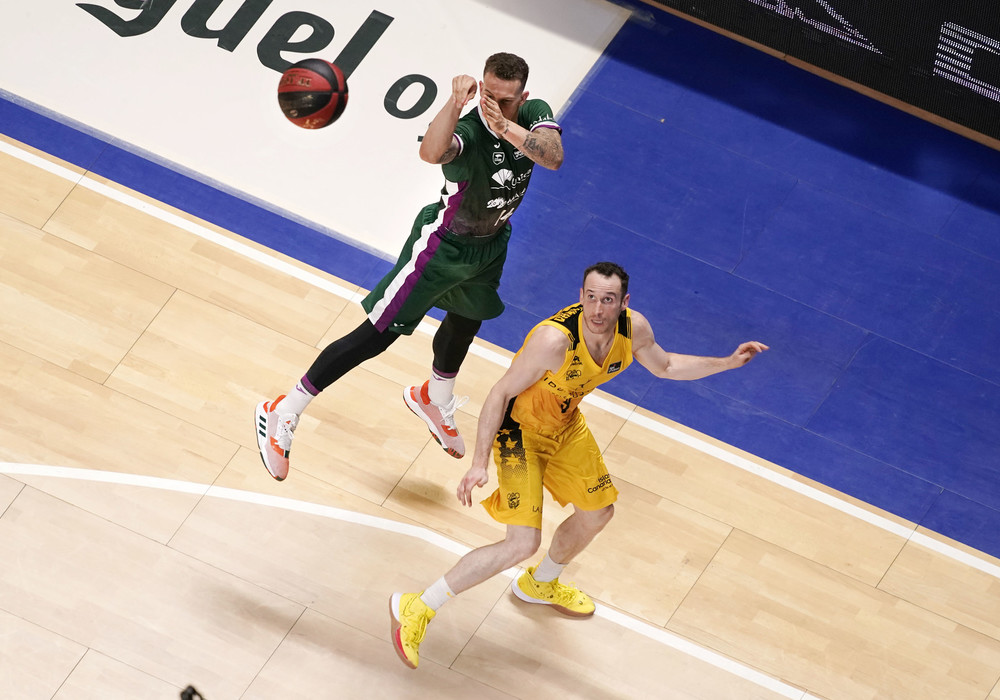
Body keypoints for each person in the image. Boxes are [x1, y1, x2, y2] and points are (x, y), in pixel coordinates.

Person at [388, 262, 768, 669]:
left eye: (608, 300)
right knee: (522, 543)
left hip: (566, 427)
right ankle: (418, 606)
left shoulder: (633, 329)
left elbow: (667, 366)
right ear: (581, 295)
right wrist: (479, 463)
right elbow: (499, 394)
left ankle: (540, 583)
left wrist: (727, 363)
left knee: (598, 512)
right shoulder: (553, 341)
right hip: (519, 434)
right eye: (591, 297)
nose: (598, 309)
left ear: (624, 302)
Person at [255, 52, 564, 480]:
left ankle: (434, 398)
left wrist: (506, 125)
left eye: (506, 100)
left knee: (467, 319)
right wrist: (455, 104)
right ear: (480, 88)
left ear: (523, 98)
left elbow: (553, 157)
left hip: (491, 245)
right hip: (443, 246)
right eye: (489, 96)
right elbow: (430, 152)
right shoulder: (469, 131)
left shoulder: (531, 114)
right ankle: (284, 409)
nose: (495, 106)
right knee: (377, 336)